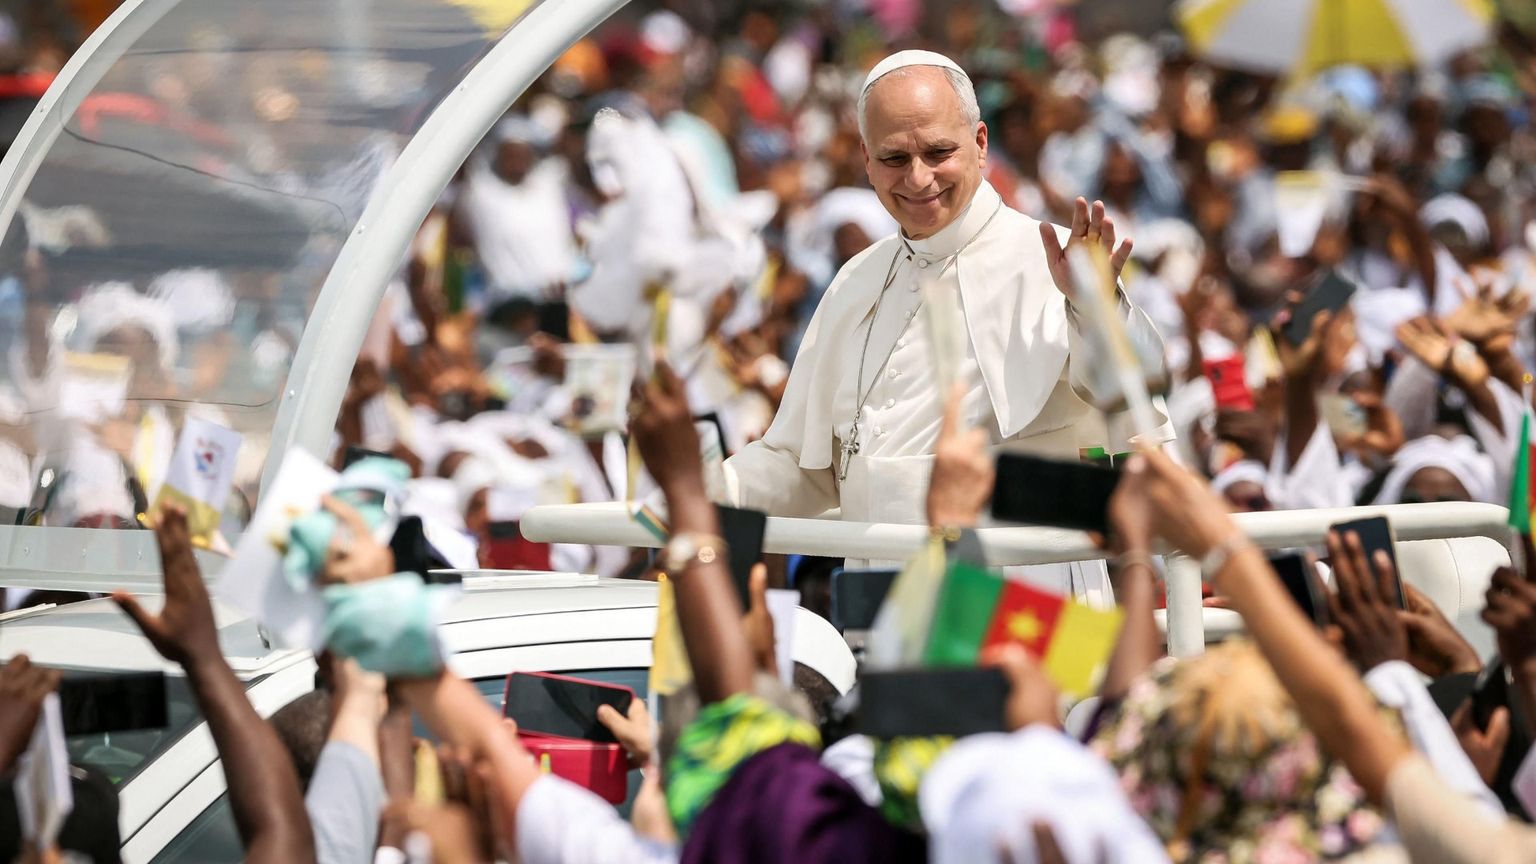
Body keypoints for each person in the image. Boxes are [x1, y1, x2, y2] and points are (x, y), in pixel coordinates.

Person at [719, 49, 1171, 593]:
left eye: (938, 152)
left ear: (980, 144)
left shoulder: (1051, 259)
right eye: (893, 159)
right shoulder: (857, 280)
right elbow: (805, 464)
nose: (918, 178)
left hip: (1023, 591)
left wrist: (1094, 308)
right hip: (881, 589)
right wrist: (699, 492)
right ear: (865, 158)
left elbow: (1133, 403)